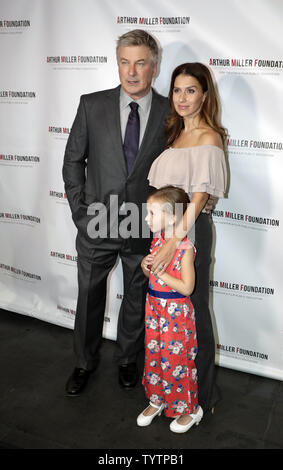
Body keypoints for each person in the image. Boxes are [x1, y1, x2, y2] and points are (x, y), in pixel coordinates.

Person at [62, 29, 170, 395]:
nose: (131, 71)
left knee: (137, 298)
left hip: (144, 225)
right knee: (89, 297)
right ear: (117, 63)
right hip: (97, 221)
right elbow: (73, 161)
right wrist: (81, 213)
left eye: (140, 63)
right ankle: (83, 363)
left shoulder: (172, 112)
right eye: (125, 61)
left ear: (154, 67)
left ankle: (127, 359)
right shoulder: (91, 105)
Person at [147, 62, 227, 414]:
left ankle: (202, 398)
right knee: (166, 312)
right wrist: (159, 236)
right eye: (177, 90)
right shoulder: (174, 136)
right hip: (164, 231)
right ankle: (168, 389)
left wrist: (171, 242)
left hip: (190, 231)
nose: (182, 97)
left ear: (205, 94)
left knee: (193, 312)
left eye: (190, 90)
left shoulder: (210, 136)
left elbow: (197, 198)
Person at [137, 186, 203, 433]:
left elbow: (187, 287)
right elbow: (151, 271)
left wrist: (162, 273)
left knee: (178, 360)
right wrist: (146, 266)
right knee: (154, 355)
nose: (146, 218)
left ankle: (190, 409)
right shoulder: (158, 240)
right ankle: (158, 398)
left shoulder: (184, 247)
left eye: (152, 213)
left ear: (173, 217)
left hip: (175, 314)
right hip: (153, 308)